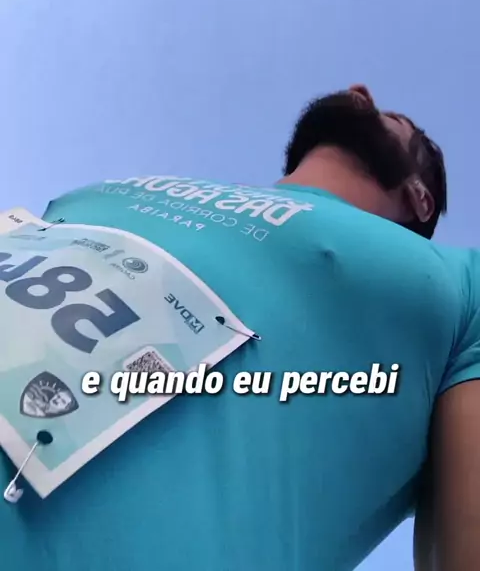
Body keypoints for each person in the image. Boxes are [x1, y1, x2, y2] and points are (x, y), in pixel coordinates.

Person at [0, 85, 475, 571]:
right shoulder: (102, 191)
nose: (361, 93)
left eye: (395, 119)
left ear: (420, 198)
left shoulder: (462, 285)